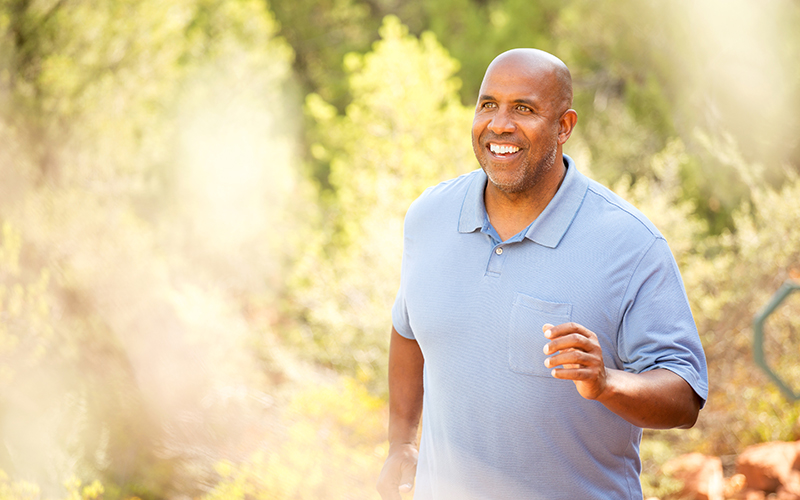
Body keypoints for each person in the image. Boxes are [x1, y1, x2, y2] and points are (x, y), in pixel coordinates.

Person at [376, 48, 708, 500]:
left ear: (564, 126)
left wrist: (607, 383)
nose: (500, 125)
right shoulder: (428, 217)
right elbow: (408, 330)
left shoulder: (629, 243)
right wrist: (400, 443)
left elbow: (684, 397)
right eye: (488, 104)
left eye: (524, 109)